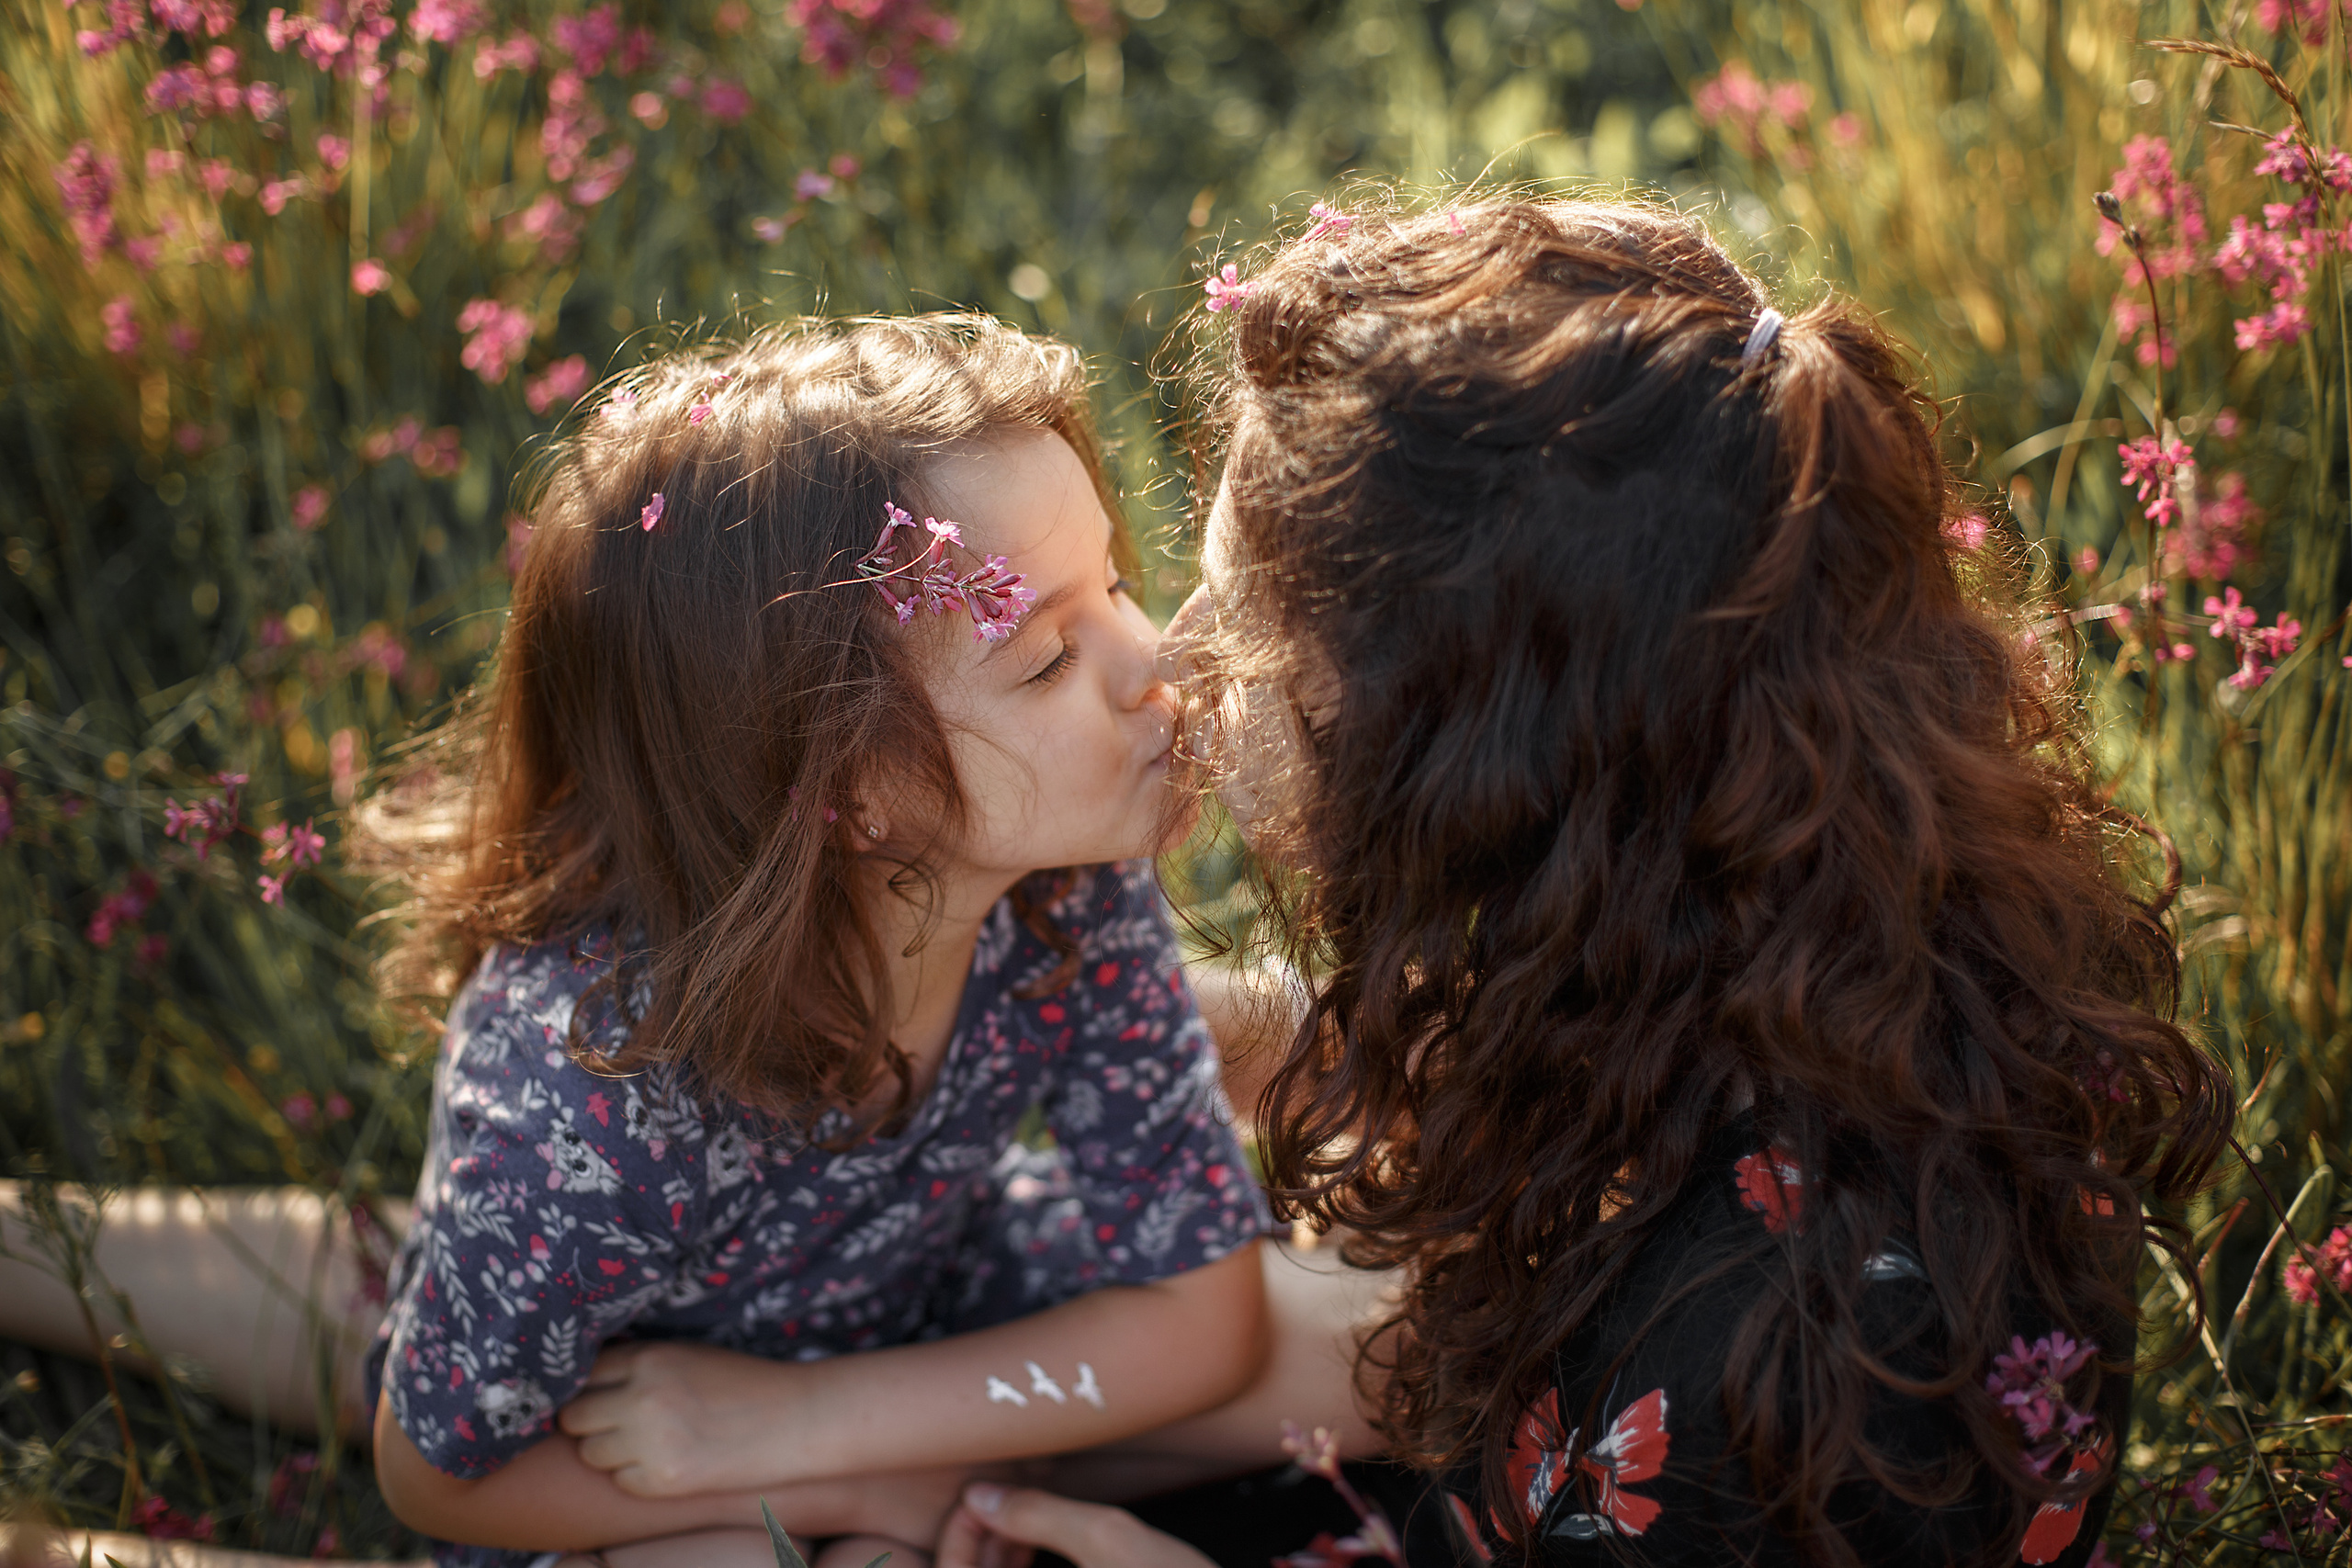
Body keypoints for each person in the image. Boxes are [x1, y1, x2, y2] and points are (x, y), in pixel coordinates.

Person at [938, 193, 2232, 1567]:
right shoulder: (1766, 937)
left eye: (1250, 615)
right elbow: (1549, 1108)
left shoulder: (1812, 1376)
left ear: (1460, 741)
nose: (1181, 653)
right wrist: (1246, 1033)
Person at [352, 313, 1277, 1568]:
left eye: (1113, 583)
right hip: (617, 1460)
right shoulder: (592, 1103)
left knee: (1341, 1342)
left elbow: (1207, 1323)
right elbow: (435, 1475)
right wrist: (844, 1499)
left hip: (897, 1329)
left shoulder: (1061, 884)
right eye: (1050, 658)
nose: (1156, 656)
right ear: (839, 779)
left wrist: (814, 1428)